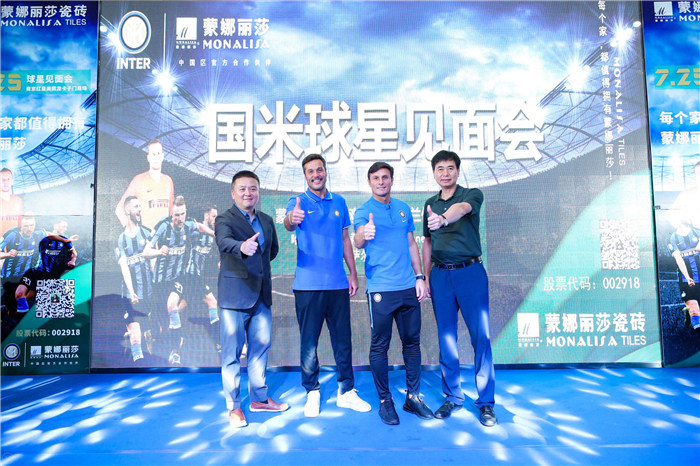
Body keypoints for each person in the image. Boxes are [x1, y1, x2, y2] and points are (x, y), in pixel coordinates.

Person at [284, 153, 370, 417]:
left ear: (325, 172)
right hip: (307, 285)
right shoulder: (297, 201)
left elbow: (345, 239)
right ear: (305, 176)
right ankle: (312, 391)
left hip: (337, 284)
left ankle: (346, 391)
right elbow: (288, 223)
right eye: (310, 171)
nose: (316, 175)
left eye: (319, 170)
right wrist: (291, 218)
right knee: (309, 343)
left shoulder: (339, 202)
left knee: (343, 340)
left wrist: (353, 273)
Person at [421, 150, 497, 427]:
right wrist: (425, 276)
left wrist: (443, 219)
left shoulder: (471, 195)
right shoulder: (429, 203)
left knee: (481, 338)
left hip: (470, 273)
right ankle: (453, 396)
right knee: (447, 339)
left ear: (457, 170)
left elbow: (461, 210)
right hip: (441, 276)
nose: (445, 173)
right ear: (434, 173)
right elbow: (428, 242)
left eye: (450, 168)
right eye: (440, 169)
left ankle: (486, 402)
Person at [353, 162, 433, 425]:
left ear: (391, 180)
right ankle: (385, 400)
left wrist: (420, 277)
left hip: (408, 287)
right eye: (375, 178)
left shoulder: (403, 209)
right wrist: (364, 234)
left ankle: (413, 397)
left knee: (412, 342)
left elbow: (411, 243)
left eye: (385, 177)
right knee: (380, 345)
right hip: (381, 289)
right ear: (369, 182)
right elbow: (358, 240)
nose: (381, 182)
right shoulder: (363, 211)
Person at [216, 170, 288, 428]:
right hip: (234, 298)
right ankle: (234, 407)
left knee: (260, 350)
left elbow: (272, 250)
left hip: (261, 296)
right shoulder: (224, 219)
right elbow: (224, 242)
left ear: (258, 192)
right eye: (242, 188)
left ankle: (259, 399)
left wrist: (256, 263)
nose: (248, 193)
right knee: (232, 354)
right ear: (233, 193)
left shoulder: (266, 220)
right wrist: (242, 247)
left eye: (253, 188)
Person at [143, 195, 213, 366]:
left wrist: (213, 233)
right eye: (176, 215)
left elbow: (199, 226)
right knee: (162, 324)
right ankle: (154, 334)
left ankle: (175, 351)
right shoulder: (162, 227)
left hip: (177, 278)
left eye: (182, 214)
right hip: (160, 280)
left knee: (172, 306)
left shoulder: (188, 224)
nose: (180, 218)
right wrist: (159, 252)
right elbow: (145, 252)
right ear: (171, 214)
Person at [116, 196, 154, 363]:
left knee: (152, 333)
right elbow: (124, 268)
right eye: (136, 206)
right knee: (136, 335)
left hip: (149, 294)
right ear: (127, 210)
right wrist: (132, 292)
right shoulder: (120, 239)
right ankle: (138, 362)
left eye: (140, 206)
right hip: (131, 295)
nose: (139, 209)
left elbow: (153, 265)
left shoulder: (147, 233)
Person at [115, 138, 175, 230]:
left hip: (164, 237)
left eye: (158, 154)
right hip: (147, 237)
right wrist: (130, 229)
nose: (156, 157)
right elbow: (119, 209)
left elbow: (171, 212)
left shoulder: (168, 181)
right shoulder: (139, 180)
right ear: (148, 158)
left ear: (162, 156)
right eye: (153, 154)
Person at [14, 235, 77, 314]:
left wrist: (72, 261)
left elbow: (74, 253)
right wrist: (65, 240)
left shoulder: (66, 245)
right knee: (19, 294)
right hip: (35, 273)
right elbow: (50, 237)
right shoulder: (45, 241)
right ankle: (16, 314)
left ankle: (17, 315)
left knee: (53, 306)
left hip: (51, 277)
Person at [186, 205, 220, 326]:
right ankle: (217, 333)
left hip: (197, 276)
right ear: (206, 216)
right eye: (213, 216)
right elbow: (199, 227)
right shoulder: (196, 229)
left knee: (180, 306)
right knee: (212, 302)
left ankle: (160, 329)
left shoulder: (211, 237)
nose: (216, 220)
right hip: (191, 274)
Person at [668, 220, 700, 335]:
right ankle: (697, 336)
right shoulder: (673, 238)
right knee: (694, 310)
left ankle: (688, 312)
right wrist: (687, 277)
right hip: (686, 279)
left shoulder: (697, 232)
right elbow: (678, 258)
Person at [1, 215, 43, 281]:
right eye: (26, 226)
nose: (29, 229)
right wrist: (8, 254)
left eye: (32, 225)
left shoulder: (39, 234)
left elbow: (51, 236)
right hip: (9, 277)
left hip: (27, 278)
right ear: (21, 226)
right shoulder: (12, 235)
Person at [0, 167, 23, 237]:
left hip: (14, 242)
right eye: (2, 179)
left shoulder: (18, 201)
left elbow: (20, 224)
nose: (5, 182)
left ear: (12, 181)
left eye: (8, 179)